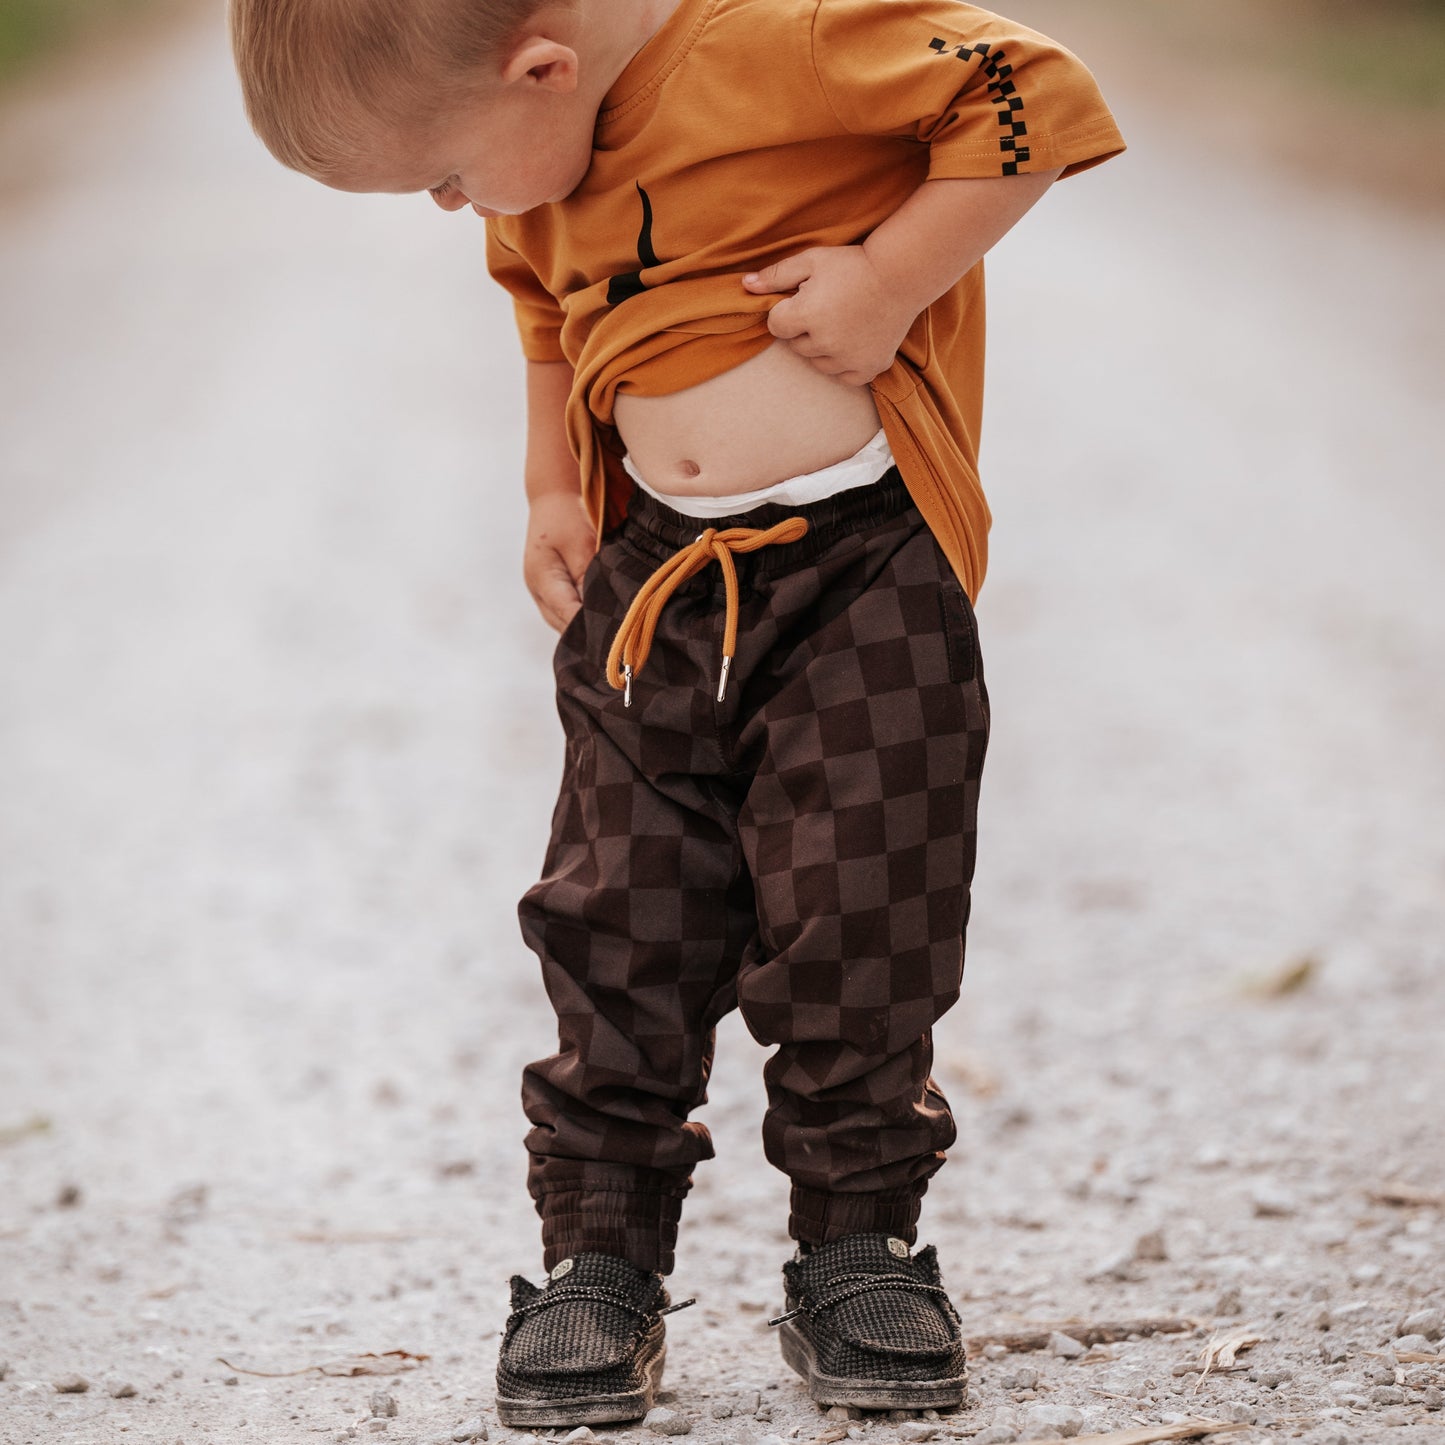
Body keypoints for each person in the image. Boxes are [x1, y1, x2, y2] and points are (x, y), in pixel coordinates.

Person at [229, 0, 1124, 1426]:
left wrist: (894, 275)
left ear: (540, 70)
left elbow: (1034, 93)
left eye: (444, 175)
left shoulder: (785, 38)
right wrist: (549, 487)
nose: (456, 205)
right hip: (653, 582)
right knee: (617, 908)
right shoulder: (543, 150)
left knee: (863, 907)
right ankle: (596, 1253)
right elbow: (537, 299)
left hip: (862, 571)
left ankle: (855, 1244)